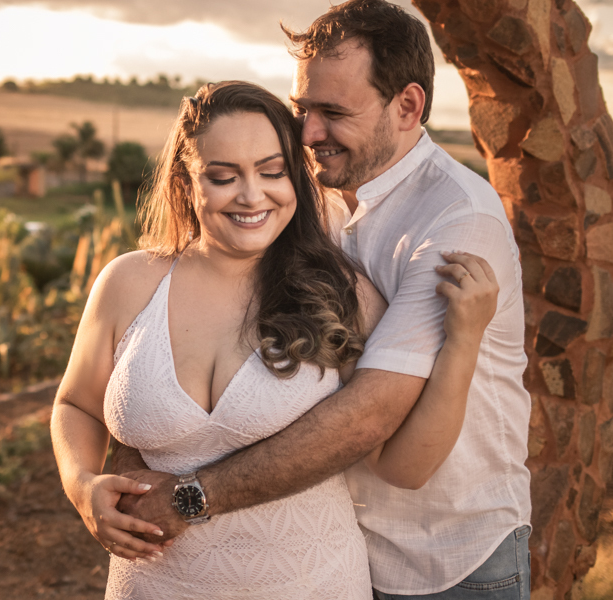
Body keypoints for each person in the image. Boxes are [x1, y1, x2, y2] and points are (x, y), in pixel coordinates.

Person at [102, 1, 534, 598]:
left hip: (447, 553)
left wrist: (190, 498)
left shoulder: (458, 221)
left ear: (408, 106)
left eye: (333, 112)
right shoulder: (309, 200)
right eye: (303, 108)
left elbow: (373, 415)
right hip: (340, 544)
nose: (306, 133)